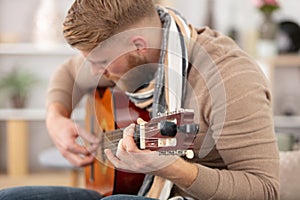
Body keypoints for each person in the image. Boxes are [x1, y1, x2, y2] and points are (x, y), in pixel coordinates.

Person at [0, 0, 279, 200]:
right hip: (128, 188)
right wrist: (56, 119)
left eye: (101, 63)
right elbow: (69, 73)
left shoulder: (230, 78)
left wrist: (171, 169)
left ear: (138, 46)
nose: (95, 73)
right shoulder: (123, 55)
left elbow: (265, 190)